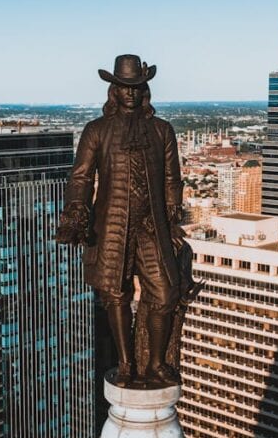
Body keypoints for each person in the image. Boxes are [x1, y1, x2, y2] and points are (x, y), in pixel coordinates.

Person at [57, 54, 186, 387]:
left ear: (145, 90)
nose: (130, 93)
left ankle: (155, 363)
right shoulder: (97, 130)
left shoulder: (162, 130)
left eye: (136, 87)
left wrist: (173, 218)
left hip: (152, 225)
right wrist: (76, 212)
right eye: (124, 87)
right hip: (112, 223)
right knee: (116, 295)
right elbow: (81, 177)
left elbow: (172, 179)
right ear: (113, 90)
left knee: (165, 293)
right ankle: (126, 363)